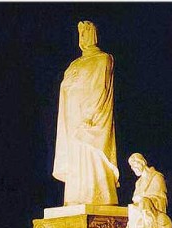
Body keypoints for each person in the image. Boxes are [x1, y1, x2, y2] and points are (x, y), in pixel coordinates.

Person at [53, 20, 119, 206]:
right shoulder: (74, 64)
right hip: (73, 119)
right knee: (76, 160)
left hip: (91, 121)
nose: (82, 38)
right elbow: (65, 88)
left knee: (91, 156)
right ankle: (76, 198)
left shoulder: (103, 59)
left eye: (86, 33)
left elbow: (101, 88)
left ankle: (98, 198)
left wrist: (90, 115)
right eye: (80, 34)